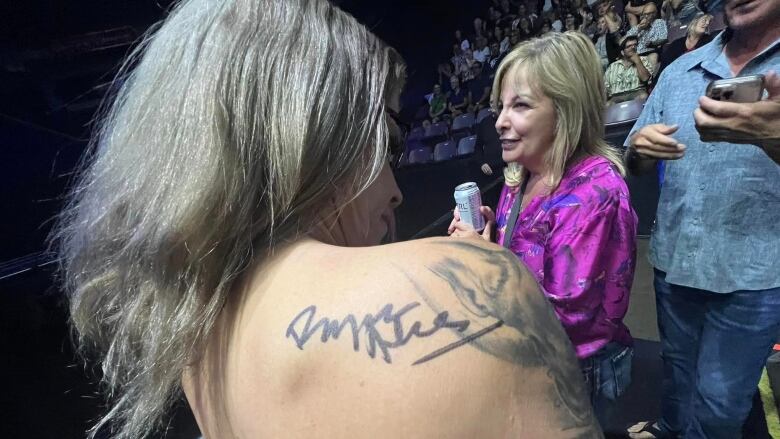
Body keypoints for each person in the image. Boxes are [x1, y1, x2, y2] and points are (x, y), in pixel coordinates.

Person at [53, 1, 605, 439]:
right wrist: (487, 270)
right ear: (313, 144)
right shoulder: (474, 289)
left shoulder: (194, 329)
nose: (394, 192)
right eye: (382, 144)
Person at [449, 31, 638, 429]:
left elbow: (562, 317)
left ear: (565, 110)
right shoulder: (520, 176)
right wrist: (488, 234)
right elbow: (518, 256)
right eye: (501, 106)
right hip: (531, 359)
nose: (500, 122)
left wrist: (483, 260)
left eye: (520, 106)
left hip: (578, 372)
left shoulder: (594, 192)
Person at [623, 0, 780, 436]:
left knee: (720, 406)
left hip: (757, 275)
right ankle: (671, 428)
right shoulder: (680, 71)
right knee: (676, 375)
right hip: (677, 261)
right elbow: (633, 157)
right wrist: (638, 151)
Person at [655, 13, 712, 79]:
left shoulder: (709, 41)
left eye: (709, 21)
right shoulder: (677, 43)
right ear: (694, 21)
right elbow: (664, 66)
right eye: (704, 20)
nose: (707, 23)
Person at [604, 36, 654, 103]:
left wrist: (637, 61)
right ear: (622, 52)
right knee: (607, 104)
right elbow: (605, 88)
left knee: (643, 96)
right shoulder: (613, 66)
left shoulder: (644, 60)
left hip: (637, 93)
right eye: (629, 46)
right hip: (616, 96)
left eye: (635, 45)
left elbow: (645, 79)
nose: (633, 47)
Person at [625, 3, 668, 67]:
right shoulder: (639, 26)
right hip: (636, 53)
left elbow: (663, 38)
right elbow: (627, 37)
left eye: (648, 14)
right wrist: (639, 28)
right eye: (644, 14)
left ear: (654, 14)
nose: (645, 17)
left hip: (650, 52)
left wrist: (649, 42)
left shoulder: (659, 22)